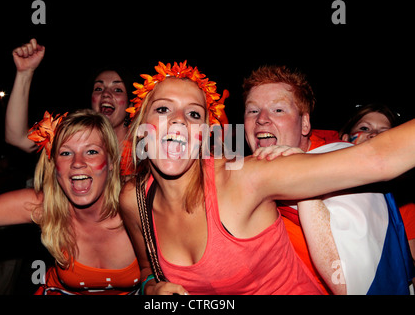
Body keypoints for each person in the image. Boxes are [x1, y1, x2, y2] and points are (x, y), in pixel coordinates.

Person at [119, 61, 415, 295]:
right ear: (141, 125)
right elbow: (147, 268)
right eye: (162, 109)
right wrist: (151, 287)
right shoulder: (134, 200)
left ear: (209, 133)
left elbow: (378, 158)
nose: (179, 119)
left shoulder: (246, 176)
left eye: (194, 114)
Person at [242, 66, 414, 294]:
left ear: (305, 124)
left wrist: (300, 177)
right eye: (252, 111)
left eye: (278, 109)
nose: (262, 119)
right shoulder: (239, 173)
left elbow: (350, 283)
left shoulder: (342, 159)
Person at [0, 109, 140, 294]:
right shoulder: (44, 205)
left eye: (91, 151)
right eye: (65, 153)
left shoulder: (137, 202)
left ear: (111, 160)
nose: (77, 162)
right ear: (54, 164)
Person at [5, 39, 134, 175]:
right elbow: (17, 138)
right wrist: (24, 74)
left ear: (130, 104)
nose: (106, 94)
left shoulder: (146, 144)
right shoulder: (72, 135)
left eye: (117, 89)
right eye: (98, 88)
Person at [339, 103, 415, 279]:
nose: (373, 135)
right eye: (364, 128)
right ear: (345, 138)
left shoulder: (402, 204)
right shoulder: (318, 183)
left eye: (384, 133)